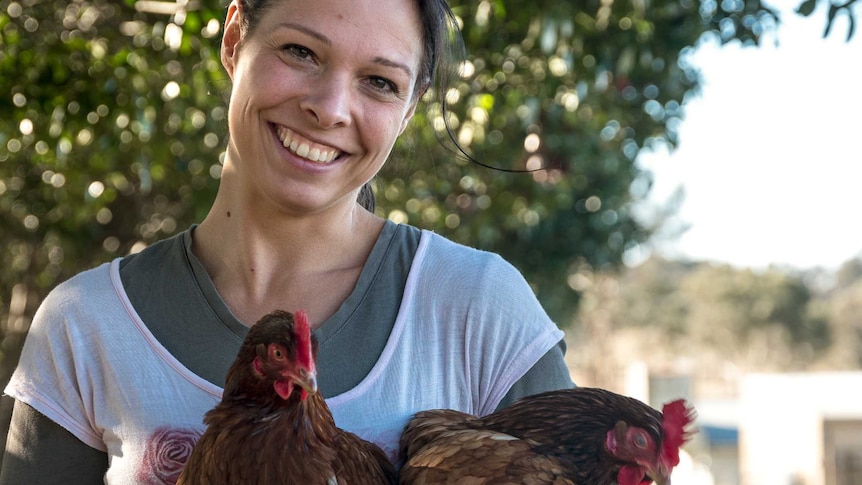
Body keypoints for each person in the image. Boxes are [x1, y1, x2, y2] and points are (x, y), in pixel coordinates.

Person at [0, 0, 574, 483]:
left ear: (410, 108)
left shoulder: (478, 307)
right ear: (233, 40)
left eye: (379, 82)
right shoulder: (89, 321)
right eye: (301, 52)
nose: (328, 109)